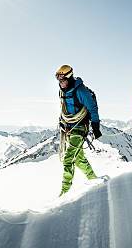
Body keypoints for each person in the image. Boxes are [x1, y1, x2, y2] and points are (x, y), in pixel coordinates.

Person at [56, 64, 103, 196]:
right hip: (68, 127)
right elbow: (63, 108)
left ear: (69, 77)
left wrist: (95, 125)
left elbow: (92, 108)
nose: (61, 82)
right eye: (59, 80)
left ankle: (64, 194)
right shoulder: (62, 91)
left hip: (80, 127)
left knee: (68, 159)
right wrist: (62, 122)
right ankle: (95, 180)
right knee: (79, 159)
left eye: (63, 79)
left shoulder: (81, 91)